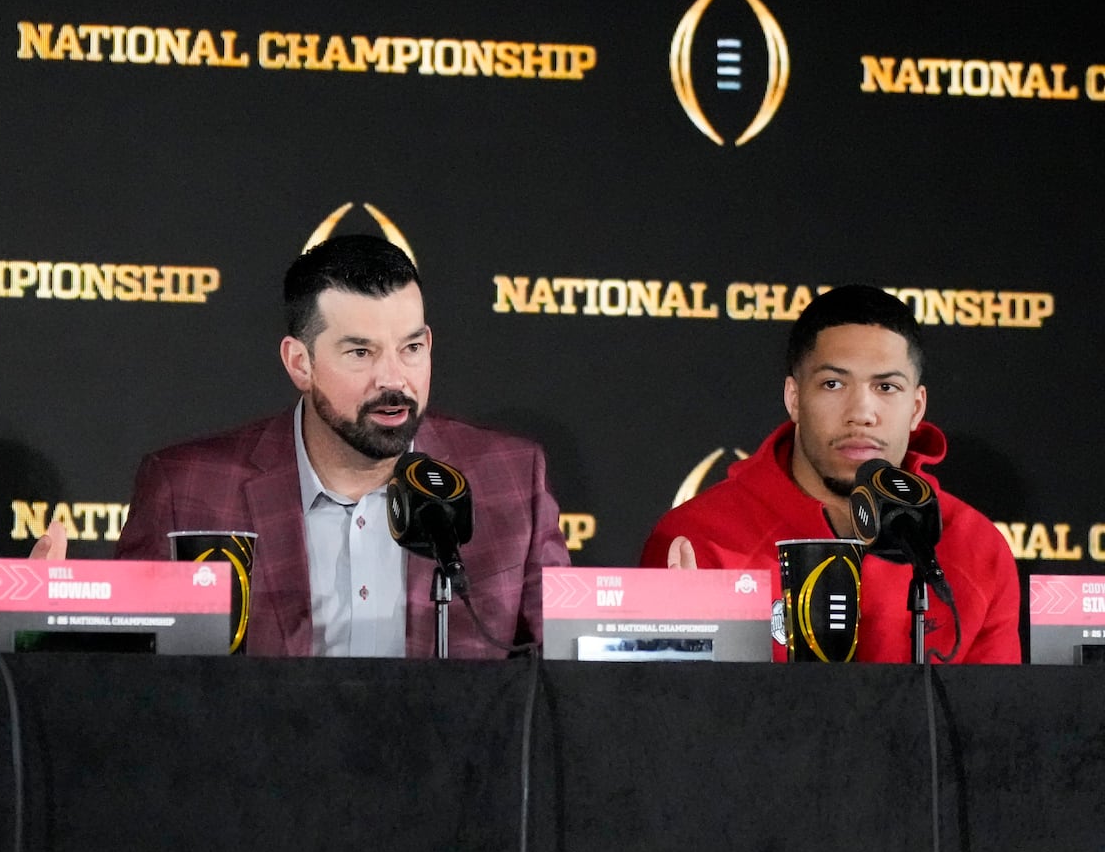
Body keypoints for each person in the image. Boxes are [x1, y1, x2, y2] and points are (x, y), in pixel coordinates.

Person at [114, 234, 568, 657]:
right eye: (360, 353)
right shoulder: (189, 492)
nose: (393, 379)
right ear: (300, 363)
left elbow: (572, 680)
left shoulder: (510, 478)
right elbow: (130, 684)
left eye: (410, 348)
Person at [639, 284, 1019, 663]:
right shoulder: (696, 540)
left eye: (886, 386)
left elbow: (995, 720)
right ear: (794, 398)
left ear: (917, 407)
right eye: (833, 384)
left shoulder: (977, 549)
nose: (862, 412)